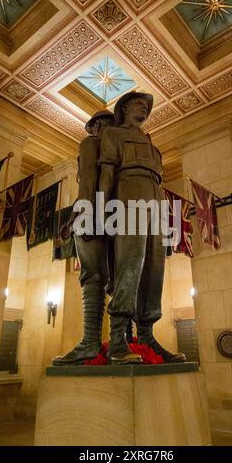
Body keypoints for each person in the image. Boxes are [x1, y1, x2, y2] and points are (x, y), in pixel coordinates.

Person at [99, 92, 186, 364]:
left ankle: (146, 336)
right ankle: (117, 339)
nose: (144, 109)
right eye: (139, 104)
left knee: (154, 268)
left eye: (147, 106)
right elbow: (107, 173)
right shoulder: (113, 135)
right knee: (131, 262)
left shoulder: (152, 145)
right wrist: (101, 209)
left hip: (156, 198)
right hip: (129, 193)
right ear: (124, 108)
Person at [53, 110, 115, 365]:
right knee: (119, 279)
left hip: (93, 215)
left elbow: (88, 182)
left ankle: (90, 341)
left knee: (92, 276)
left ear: (95, 126)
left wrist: (85, 215)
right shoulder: (119, 147)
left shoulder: (91, 143)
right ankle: (122, 340)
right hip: (118, 217)